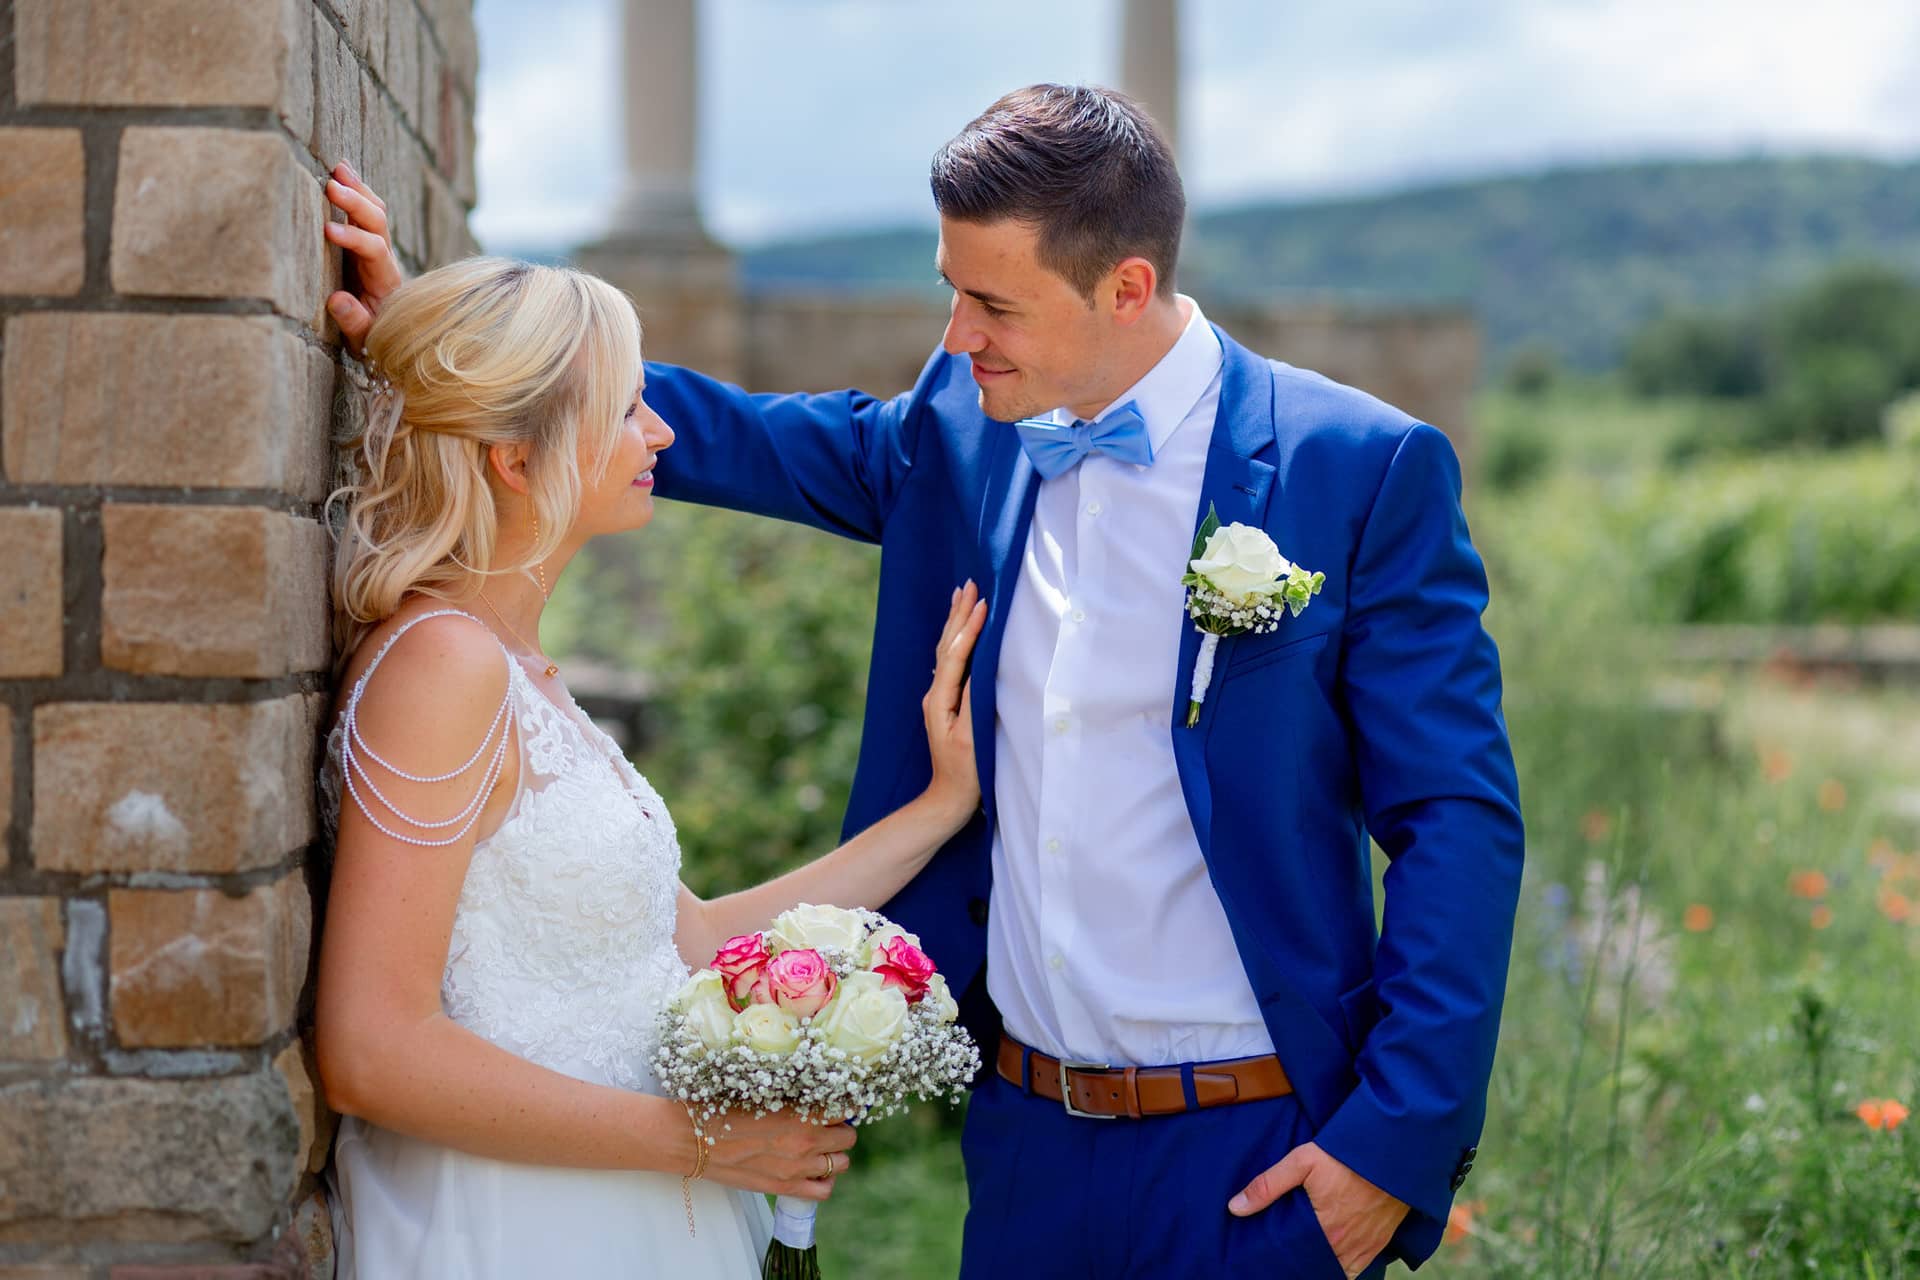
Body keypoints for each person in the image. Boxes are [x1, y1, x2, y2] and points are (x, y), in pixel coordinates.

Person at [326, 82, 1524, 1280]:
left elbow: (1455, 819)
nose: (957, 335)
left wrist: (1395, 1141)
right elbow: (752, 436)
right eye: (951, 288)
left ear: (1126, 289)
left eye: (993, 301)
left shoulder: (1358, 470)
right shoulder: (964, 422)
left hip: (1260, 1152)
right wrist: (455, 348)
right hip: (1023, 1147)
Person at [312, 251, 986, 1277]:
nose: (661, 431)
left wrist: (942, 804)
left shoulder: (521, 673)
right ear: (514, 455)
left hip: (625, 1215)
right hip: (515, 1226)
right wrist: (700, 1139)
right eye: (627, 407)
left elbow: (699, 935)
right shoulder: (441, 667)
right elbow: (371, 1048)